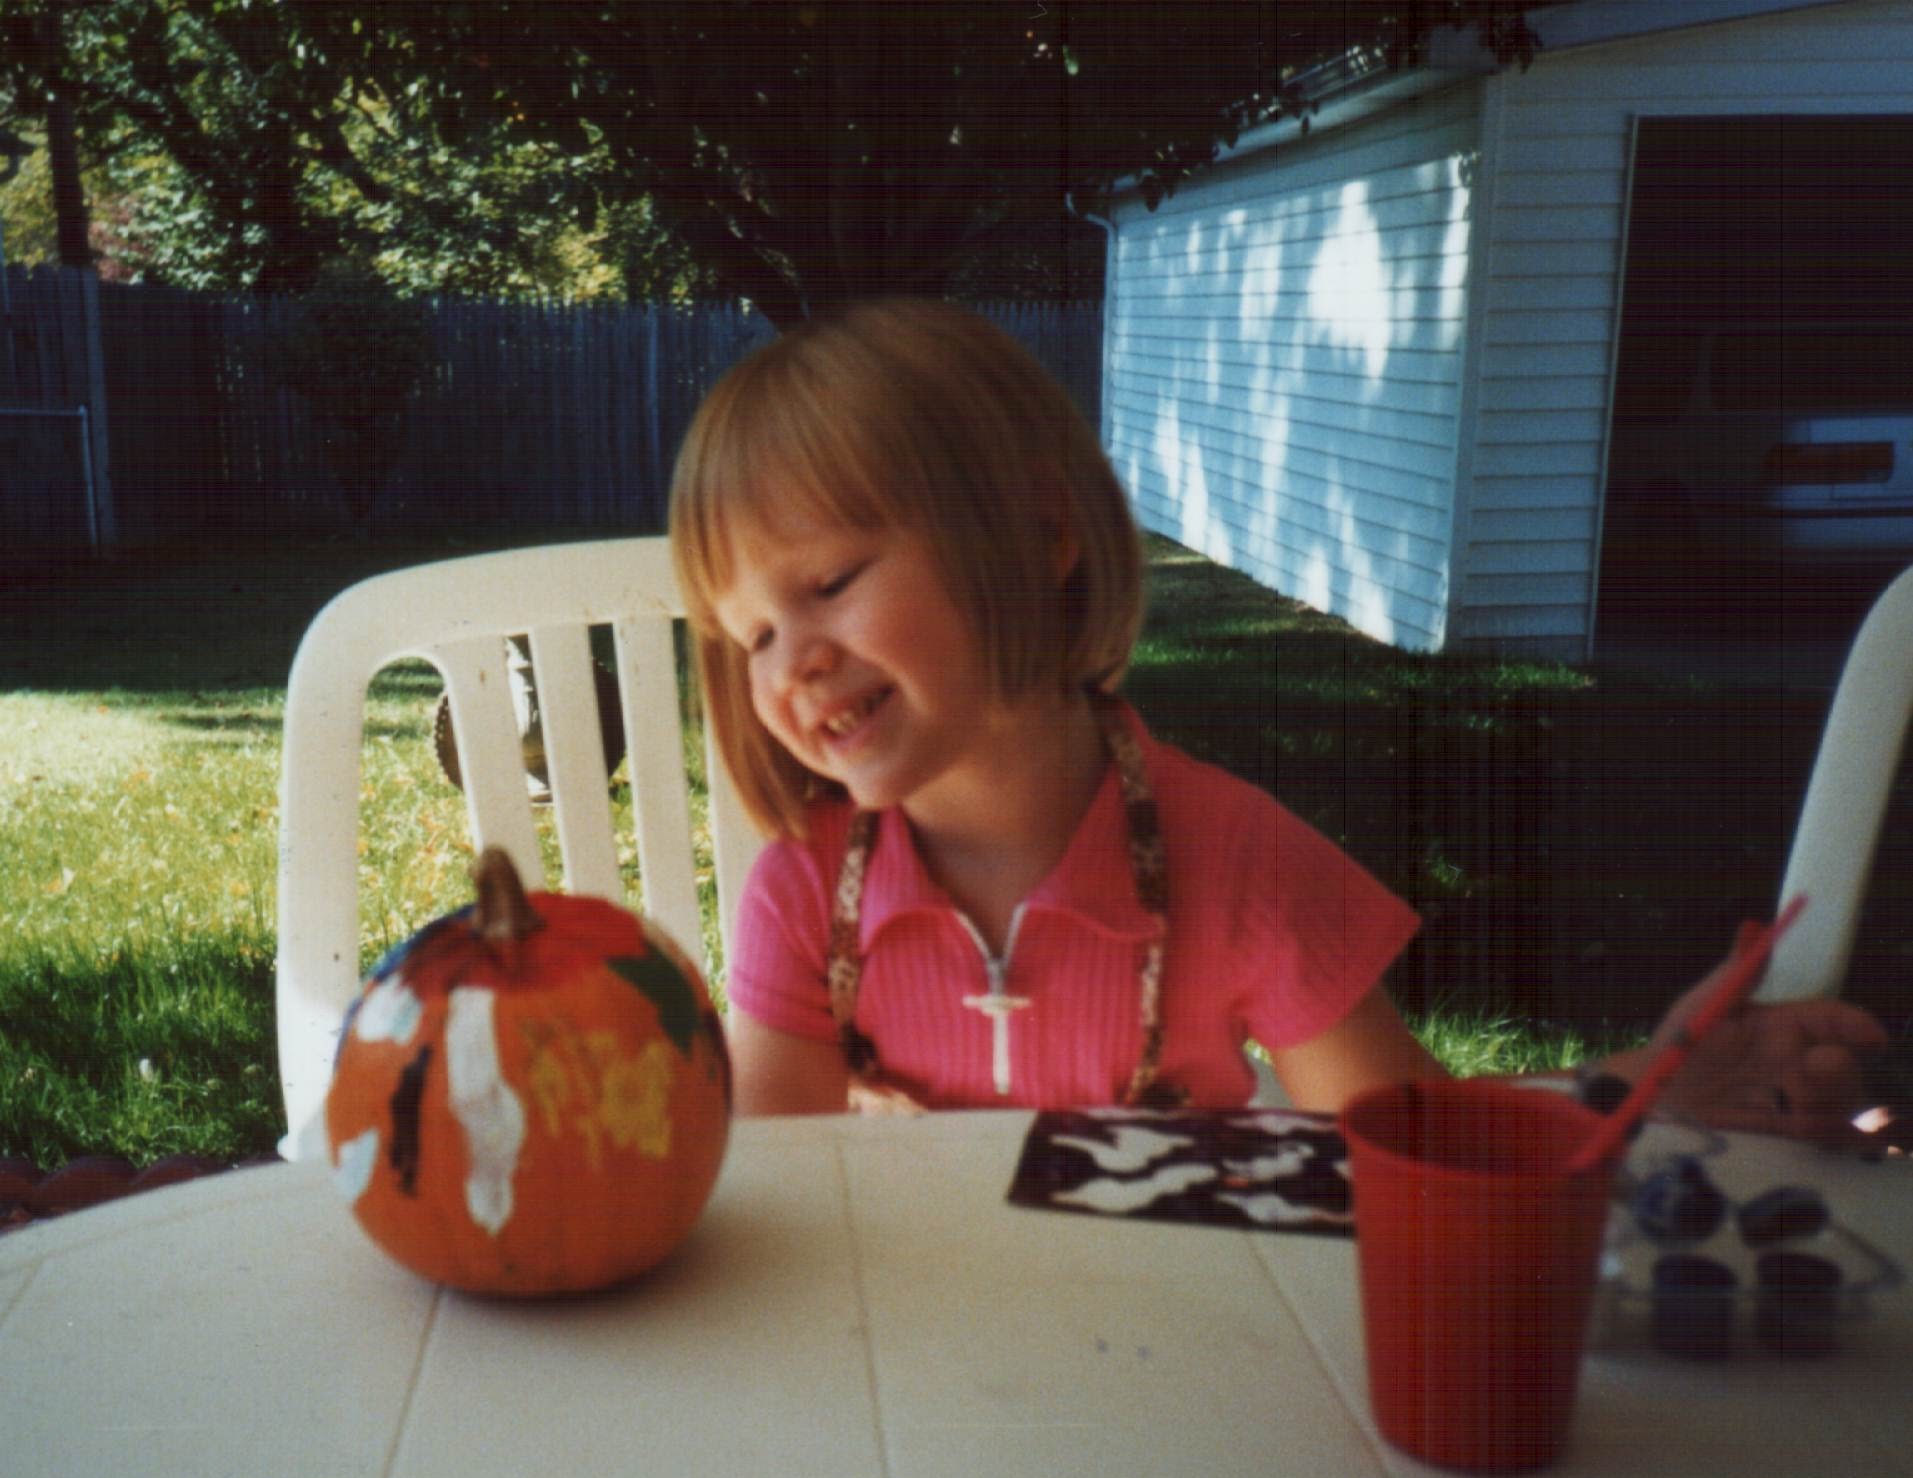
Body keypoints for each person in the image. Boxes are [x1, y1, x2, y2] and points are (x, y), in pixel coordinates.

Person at [665, 298, 1884, 1138]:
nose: (792, 665)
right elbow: (778, 1193)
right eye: (751, 632)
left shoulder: (1234, 860)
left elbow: (1410, 1136)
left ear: (1041, 537)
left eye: (828, 584)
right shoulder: (804, 894)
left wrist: (1649, 1081)